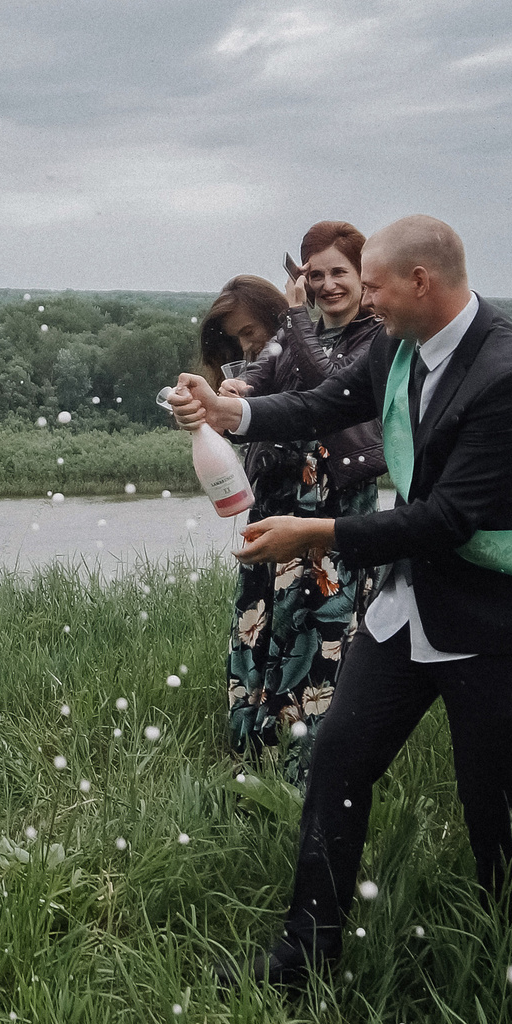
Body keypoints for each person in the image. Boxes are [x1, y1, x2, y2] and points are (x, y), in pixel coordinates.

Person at [169, 215, 512, 993]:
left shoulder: (510, 377)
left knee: (493, 797)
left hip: (496, 620)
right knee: (339, 759)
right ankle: (300, 964)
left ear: (419, 283)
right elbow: (316, 405)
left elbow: (446, 519)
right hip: (409, 604)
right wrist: (226, 413)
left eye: (369, 283)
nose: (345, 294)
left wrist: (317, 532)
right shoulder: (396, 345)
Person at [201, 234, 385, 779]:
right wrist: (228, 397)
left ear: (361, 277)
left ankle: (311, 767)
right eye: (315, 275)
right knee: (265, 623)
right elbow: (258, 384)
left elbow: (329, 393)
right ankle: (255, 756)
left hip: (332, 507)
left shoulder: (377, 341)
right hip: (277, 501)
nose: (327, 285)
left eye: (339, 274)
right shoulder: (290, 334)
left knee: (321, 630)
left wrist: (295, 314)